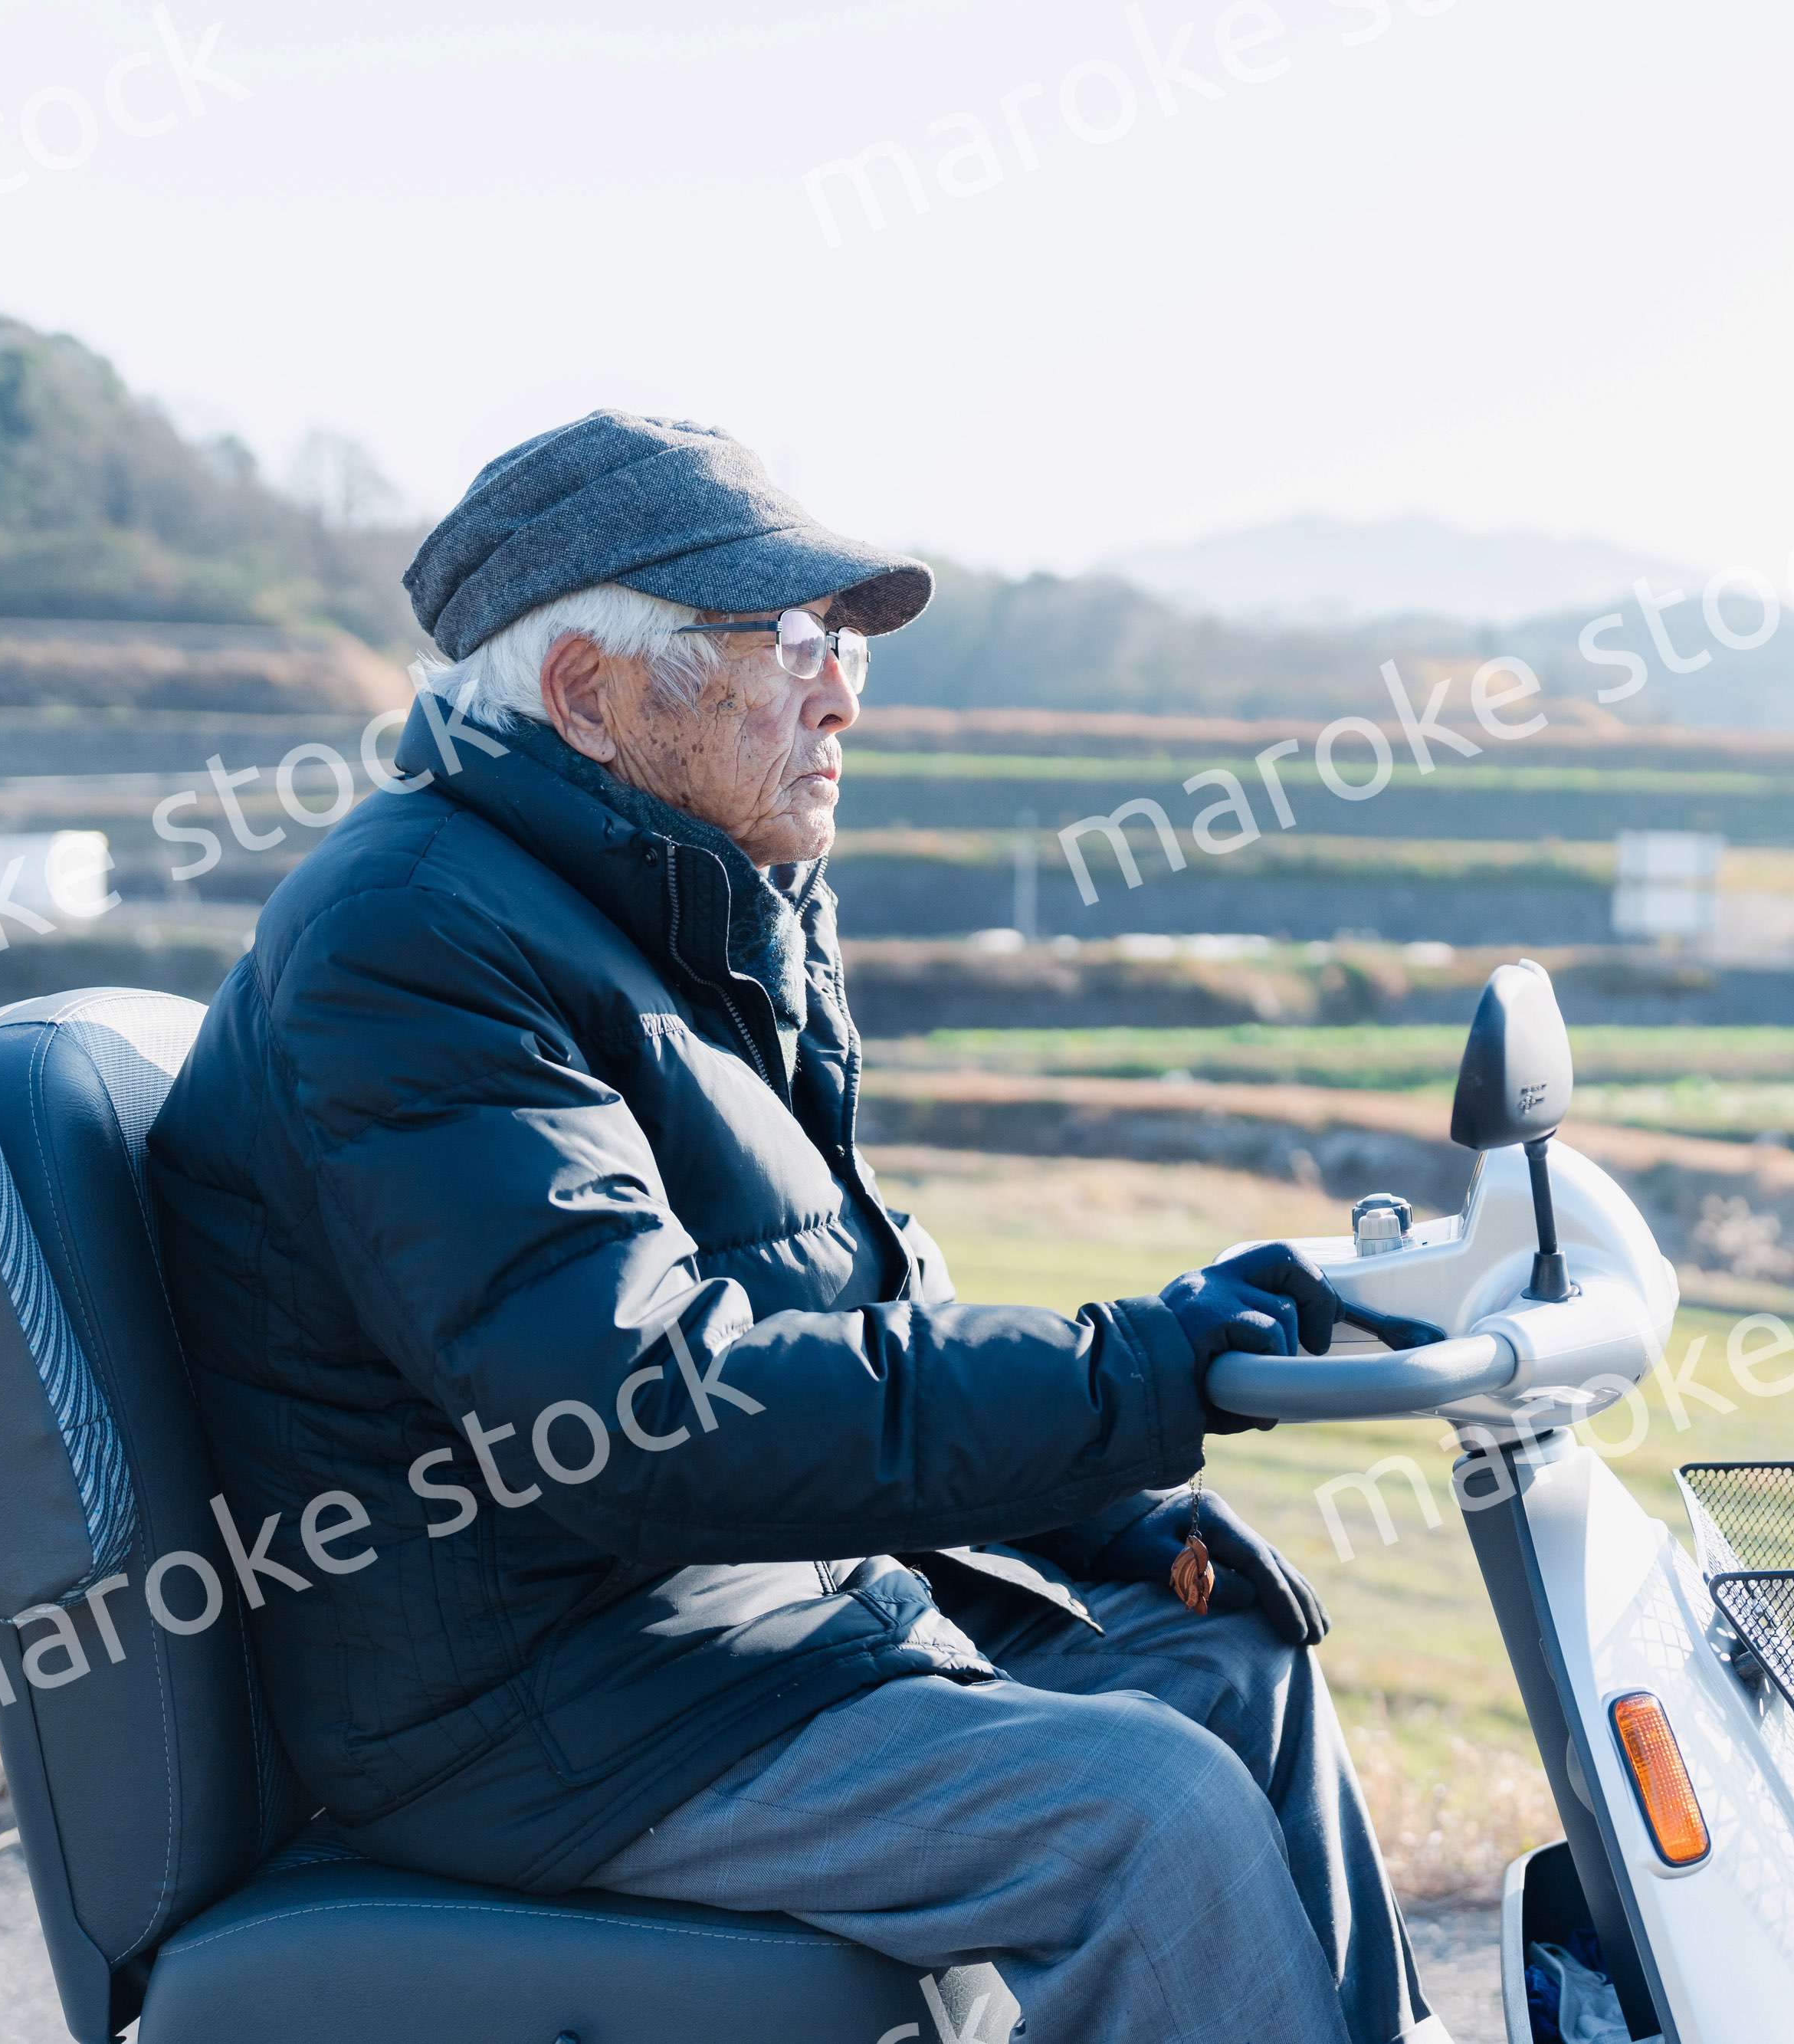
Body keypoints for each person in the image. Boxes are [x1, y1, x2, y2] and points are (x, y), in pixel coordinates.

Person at [143, 411, 1448, 2044]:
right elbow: (636, 1413)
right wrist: (1135, 1377)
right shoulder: (408, 941)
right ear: (587, 699)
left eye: (837, 640)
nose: (838, 687)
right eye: (780, 640)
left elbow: (839, 1305)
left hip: (719, 1619)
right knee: (1140, 1806)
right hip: (550, 1698)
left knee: (1222, 1663)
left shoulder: (674, 898)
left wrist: (1091, 1490)